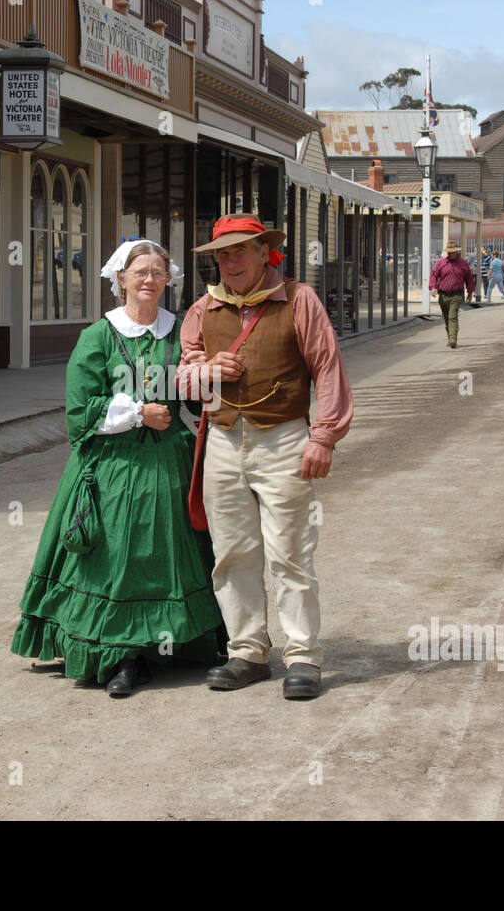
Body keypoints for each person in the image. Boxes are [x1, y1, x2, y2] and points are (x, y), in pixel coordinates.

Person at [11, 240, 224, 696]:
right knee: (117, 557)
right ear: (120, 278)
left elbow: (193, 397)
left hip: (168, 463)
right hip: (111, 467)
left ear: (169, 281)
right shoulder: (98, 336)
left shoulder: (181, 332)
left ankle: (163, 647)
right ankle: (120, 655)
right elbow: (78, 411)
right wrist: (138, 414)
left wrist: (208, 376)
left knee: (164, 553)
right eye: (140, 271)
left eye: (158, 273)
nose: (149, 280)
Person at [180, 214, 353, 700]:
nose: (230, 262)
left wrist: (323, 437)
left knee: (290, 552)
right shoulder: (202, 309)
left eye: (240, 251)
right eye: (223, 254)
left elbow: (328, 368)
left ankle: (302, 656)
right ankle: (248, 651)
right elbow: (184, 382)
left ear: (264, 253)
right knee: (232, 551)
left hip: (284, 439)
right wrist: (209, 370)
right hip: (222, 440)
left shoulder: (300, 300)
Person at [429, 241, 476, 349]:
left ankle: (453, 339)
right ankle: (450, 337)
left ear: (456, 252)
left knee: (452, 316)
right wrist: (433, 288)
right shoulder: (441, 263)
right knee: (446, 317)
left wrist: (470, 293)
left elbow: (469, 279)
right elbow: (434, 275)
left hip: (457, 294)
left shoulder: (463, 264)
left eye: (453, 252)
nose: (452, 254)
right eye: (450, 252)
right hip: (443, 295)